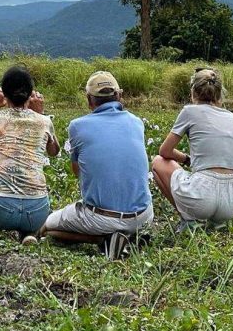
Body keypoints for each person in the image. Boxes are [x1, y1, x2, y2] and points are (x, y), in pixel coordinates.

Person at [39, 71, 153, 260]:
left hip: (102, 218)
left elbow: (78, 171)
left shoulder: (77, 126)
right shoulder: (137, 122)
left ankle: (104, 240)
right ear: (119, 96)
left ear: (89, 100)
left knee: (48, 226)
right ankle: (126, 236)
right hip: (143, 216)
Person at [151, 68, 233, 233]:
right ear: (219, 95)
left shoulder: (190, 111)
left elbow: (165, 151)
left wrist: (186, 159)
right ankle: (216, 223)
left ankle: (189, 220)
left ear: (193, 93)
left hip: (202, 196)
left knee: (158, 162)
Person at [0, 65, 60, 245]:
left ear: (4, 94)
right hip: (36, 212)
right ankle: (30, 233)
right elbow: (54, 151)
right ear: (30, 95)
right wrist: (41, 114)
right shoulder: (44, 122)